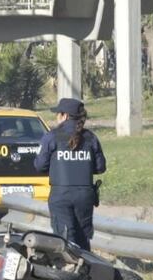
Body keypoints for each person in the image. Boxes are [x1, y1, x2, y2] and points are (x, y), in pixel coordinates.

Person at [35, 98, 107, 251]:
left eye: (58, 114)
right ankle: (86, 270)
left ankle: (69, 270)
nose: (56, 117)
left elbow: (40, 166)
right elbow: (100, 168)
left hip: (61, 196)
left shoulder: (52, 137)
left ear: (65, 116)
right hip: (85, 196)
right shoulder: (90, 138)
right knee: (83, 239)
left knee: (65, 240)